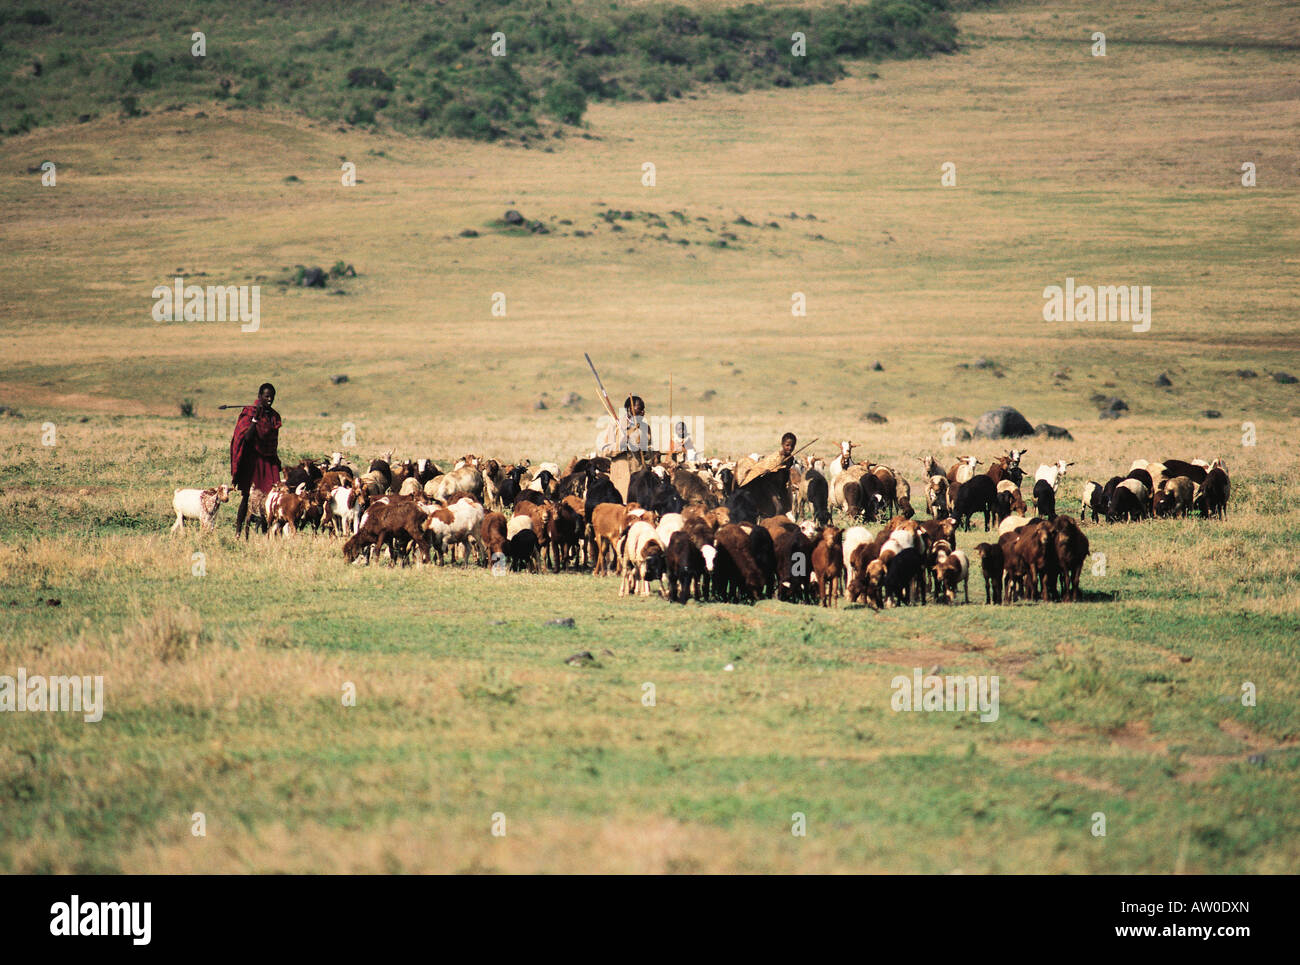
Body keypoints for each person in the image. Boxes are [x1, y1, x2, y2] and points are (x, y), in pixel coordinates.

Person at [230, 382, 282, 536]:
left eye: (272, 397)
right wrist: (255, 419)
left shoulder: (273, 416)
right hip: (252, 459)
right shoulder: (249, 412)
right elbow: (246, 437)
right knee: (247, 496)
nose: (270, 399)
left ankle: (267, 533)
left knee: (270, 495)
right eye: (267, 396)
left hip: (269, 460)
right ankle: (238, 531)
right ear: (260, 396)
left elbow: (272, 441)